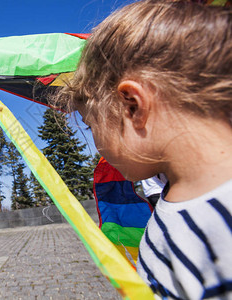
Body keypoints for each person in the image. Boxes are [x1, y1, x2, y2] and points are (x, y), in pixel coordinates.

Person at [57, 0, 232, 298]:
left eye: (90, 125)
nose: (97, 144)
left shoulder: (218, 223)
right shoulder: (178, 201)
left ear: (132, 105)